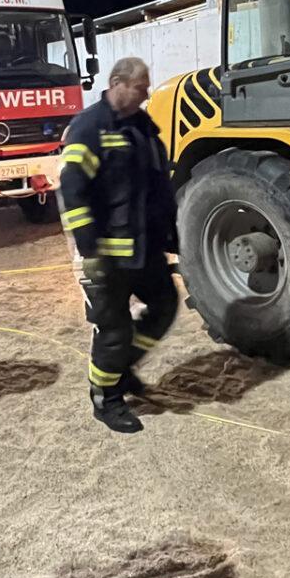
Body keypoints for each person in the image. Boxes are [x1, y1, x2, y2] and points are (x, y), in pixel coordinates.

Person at [58, 56, 178, 434]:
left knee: (164, 306)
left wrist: (171, 236)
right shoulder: (90, 127)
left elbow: (157, 187)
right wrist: (90, 249)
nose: (145, 94)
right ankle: (105, 398)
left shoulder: (142, 126)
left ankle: (122, 369)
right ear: (117, 83)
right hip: (107, 254)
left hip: (144, 249)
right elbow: (73, 189)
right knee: (113, 331)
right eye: (140, 87)